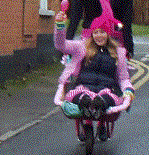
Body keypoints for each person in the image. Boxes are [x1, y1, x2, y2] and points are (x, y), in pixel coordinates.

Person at [53, 8, 134, 142]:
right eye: (95, 32)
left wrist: (128, 90)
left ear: (108, 34)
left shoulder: (118, 53)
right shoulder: (81, 47)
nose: (99, 36)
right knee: (75, 94)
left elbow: (123, 78)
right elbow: (61, 45)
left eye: (102, 32)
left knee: (111, 97)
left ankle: (99, 106)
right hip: (84, 86)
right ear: (91, 34)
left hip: (107, 88)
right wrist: (60, 25)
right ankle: (86, 104)